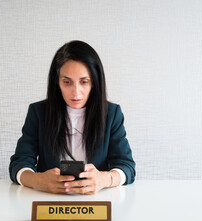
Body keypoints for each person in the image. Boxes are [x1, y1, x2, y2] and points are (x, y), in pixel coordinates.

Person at [9, 40, 135, 195]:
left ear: (94, 82)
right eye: (67, 82)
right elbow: (19, 163)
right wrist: (39, 180)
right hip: (49, 200)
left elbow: (127, 166)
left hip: (96, 203)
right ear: (57, 82)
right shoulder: (38, 112)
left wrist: (104, 179)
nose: (76, 92)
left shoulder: (112, 113)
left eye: (84, 82)